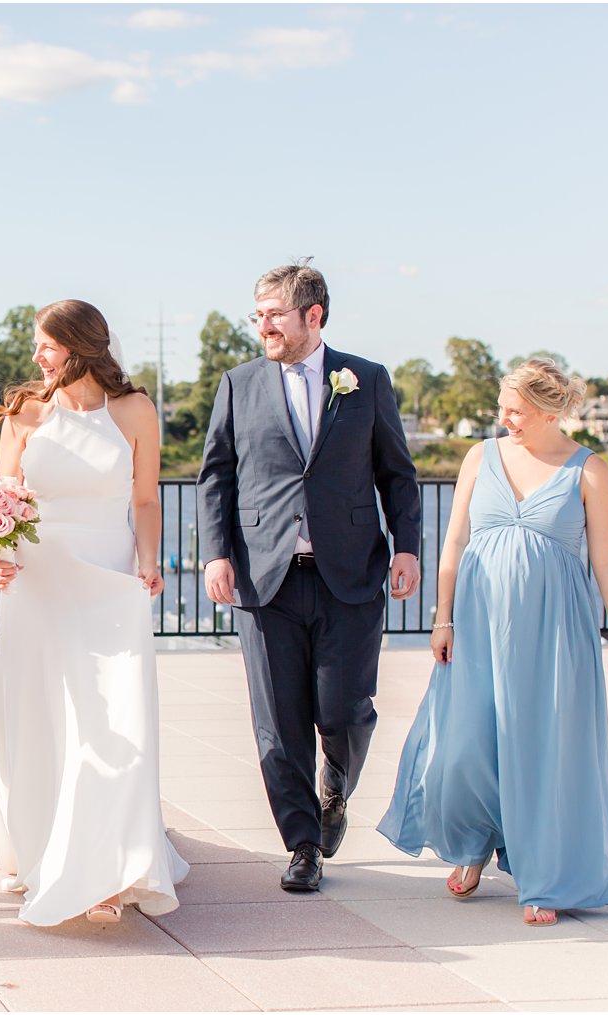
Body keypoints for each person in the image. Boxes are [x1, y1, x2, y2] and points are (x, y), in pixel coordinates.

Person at [378, 359, 608, 926]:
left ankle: (545, 874)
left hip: (553, 633)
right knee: (464, 747)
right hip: (478, 628)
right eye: (502, 407)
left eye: (516, 410)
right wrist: (443, 618)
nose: (503, 417)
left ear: (551, 411)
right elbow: (455, 538)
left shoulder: (590, 470)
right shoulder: (480, 456)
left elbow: (606, 558)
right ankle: (471, 846)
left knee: (541, 752)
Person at [197, 259, 422, 892]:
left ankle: (336, 786)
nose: (262, 324)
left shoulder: (366, 380)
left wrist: (407, 546)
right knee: (277, 721)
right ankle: (301, 845)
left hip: (349, 573)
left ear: (312, 316)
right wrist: (217, 552)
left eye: (273, 313)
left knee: (345, 711)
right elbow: (217, 475)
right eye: (257, 313)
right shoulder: (238, 384)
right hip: (265, 578)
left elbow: (396, 474)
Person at [0, 299, 188, 926]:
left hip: (108, 580)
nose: (36, 358)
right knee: (43, 716)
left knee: (113, 719)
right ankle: (44, 848)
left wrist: (148, 560)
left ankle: (109, 859)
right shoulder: (24, 412)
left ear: (77, 348)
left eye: (45, 346)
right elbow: (6, 498)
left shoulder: (133, 410)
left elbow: (146, 498)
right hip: (37, 583)